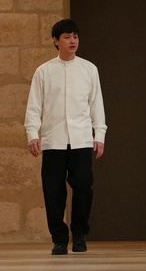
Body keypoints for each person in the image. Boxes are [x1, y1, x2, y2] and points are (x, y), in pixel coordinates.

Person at [25, 19, 107, 255]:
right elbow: (34, 106)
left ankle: (79, 234)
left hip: (81, 139)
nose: (72, 41)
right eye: (67, 37)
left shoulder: (89, 69)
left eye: (75, 37)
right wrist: (33, 133)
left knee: (83, 187)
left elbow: (96, 105)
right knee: (53, 191)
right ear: (55, 40)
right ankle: (59, 238)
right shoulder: (43, 71)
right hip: (53, 140)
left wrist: (99, 134)